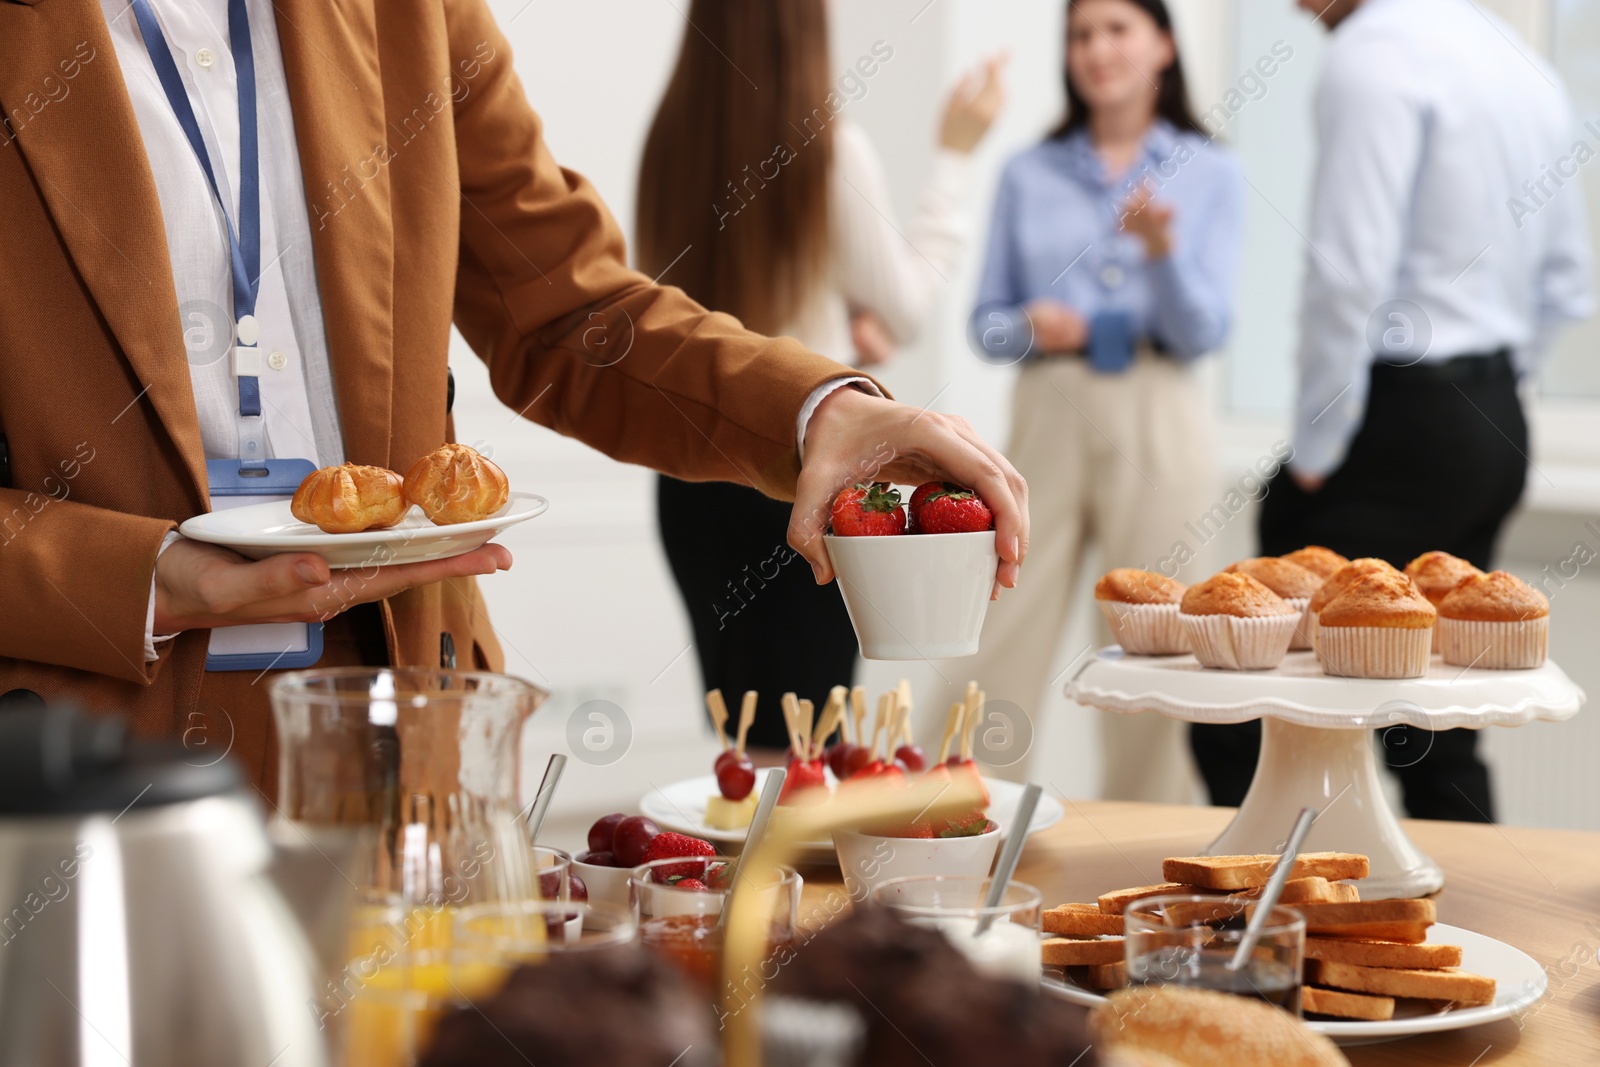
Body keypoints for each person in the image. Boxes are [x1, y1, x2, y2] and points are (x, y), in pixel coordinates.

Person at [0, 0, 1028, 793]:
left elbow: (570, 311)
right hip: (84, 759)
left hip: (415, 734)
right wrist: (139, 578)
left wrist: (818, 410)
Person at [1190, 0, 1594, 821]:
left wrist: (1316, 446)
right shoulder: (1522, 65)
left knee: (1248, 703)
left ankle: (1267, 923)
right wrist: (1485, 388)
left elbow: (1348, 274)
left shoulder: (1372, 54)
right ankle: (1467, 931)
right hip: (1491, 423)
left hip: (1399, 421)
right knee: (1434, 717)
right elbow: (1568, 283)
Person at [636, 0, 1006, 751]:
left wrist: (837, 330)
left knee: (744, 736)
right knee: (806, 741)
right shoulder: (828, 152)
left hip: (692, 481)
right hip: (794, 476)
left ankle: (748, 869)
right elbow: (905, 309)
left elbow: (714, 322)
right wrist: (956, 157)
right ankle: (791, 873)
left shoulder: (668, 144)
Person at [961, 0, 1242, 798]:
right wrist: (1024, 325)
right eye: (1081, 34)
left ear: (1161, 44)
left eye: (1117, 29)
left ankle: (1146, 857)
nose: (1097, 49)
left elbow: (1203, 329)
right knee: (998, 624)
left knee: (1158, 643)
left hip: (1158, 407)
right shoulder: (1028, 170)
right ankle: (956, 821)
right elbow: (984, 323)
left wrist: (1161, 253)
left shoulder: (1212, 169)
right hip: (1047, 405)